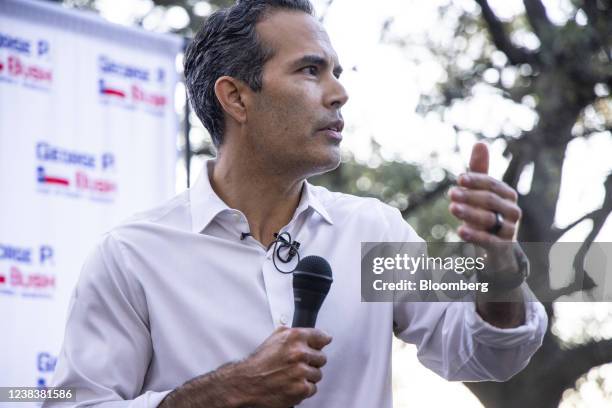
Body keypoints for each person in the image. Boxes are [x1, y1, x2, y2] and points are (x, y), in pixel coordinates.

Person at [45, 1, 547, 407]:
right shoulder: (132, 255)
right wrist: (219, 395)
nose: (340, 93)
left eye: (337, 72)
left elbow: (488, 354)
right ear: (236, 98)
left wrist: (499, 266)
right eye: (311, 71)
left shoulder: (372, 231)